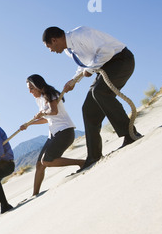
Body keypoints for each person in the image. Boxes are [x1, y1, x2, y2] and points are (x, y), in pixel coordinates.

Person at [43, 26, 141, 170]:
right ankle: (93, 156)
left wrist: (89, 70)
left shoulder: (81, 34)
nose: (50, 50)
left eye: (49, 46)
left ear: (54, 40)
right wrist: (73, 81)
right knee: (88, 109)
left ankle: (130, 134)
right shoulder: (68, 51)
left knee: (99, 92)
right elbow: (83, 66)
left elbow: (107, 52)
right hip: (105, 69)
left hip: (121, 60)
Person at [20, 74, 85, 195]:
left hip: (65, 131)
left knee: (47, 161)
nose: (30, 91)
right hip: (53, 134)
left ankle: (81, 163)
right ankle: (35, 194)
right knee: (39, 165)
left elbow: (53, 111)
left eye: (31, 88)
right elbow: (46, 119)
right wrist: (29, 124)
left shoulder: (49, 94)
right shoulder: (38, 100)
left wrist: (42, 112)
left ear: (38, 86)